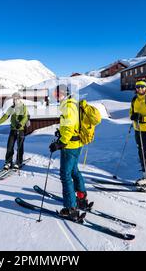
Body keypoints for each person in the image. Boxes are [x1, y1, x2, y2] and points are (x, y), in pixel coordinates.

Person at [49, 84, 91, 221]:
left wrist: (60, 143)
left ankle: (70, 208)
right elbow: (70, 125)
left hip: (70, 146)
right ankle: (81, 199)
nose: (56, 97)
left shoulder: (68, 105)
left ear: (63, 93)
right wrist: (60, 133)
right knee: (74, 171)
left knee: (65, 175)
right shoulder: (73, 104)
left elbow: (68, 126)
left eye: (57, 94)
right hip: (76, 144)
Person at [0, 92, 29, 170]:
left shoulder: (23, 107)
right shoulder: (12, 108)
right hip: (13, 130)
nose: (14, 100)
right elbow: (5, 116)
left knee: (20, 147)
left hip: (20, 130)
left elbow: (25, 117)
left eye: (16, 98)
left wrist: (21, 124)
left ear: (19, 98)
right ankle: (8, 162)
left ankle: (19, 162)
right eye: (13, 98)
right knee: (9, 147)